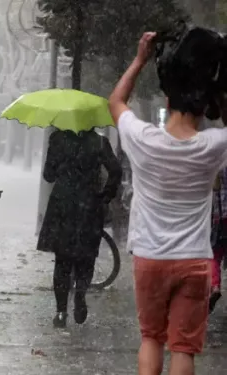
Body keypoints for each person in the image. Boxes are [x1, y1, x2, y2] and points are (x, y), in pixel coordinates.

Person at [109, 32, 227, 375]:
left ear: (166, 99)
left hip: (150, 257)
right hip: (194, 260)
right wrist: (218, 89)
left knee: (151, 339)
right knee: (184, 349)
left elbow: (115, 102)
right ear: (206, 104)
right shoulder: (214, 145)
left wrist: (140, 58)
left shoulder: (143, 139)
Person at [37, 129, 121, 328]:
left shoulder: (58, 139)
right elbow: (116, 170)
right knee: (86, 257)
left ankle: (60, 312)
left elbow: (48, 175)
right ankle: (80, 294)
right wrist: (105, 195)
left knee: (62, 260)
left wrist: (62, 167)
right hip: (90, 205)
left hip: (62, 205)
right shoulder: (100, 143)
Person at [210, 167, 227, 313]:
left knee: (215, 255)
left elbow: (214, 187)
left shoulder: (219, 159)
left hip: (220, 218)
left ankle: (215, 286)